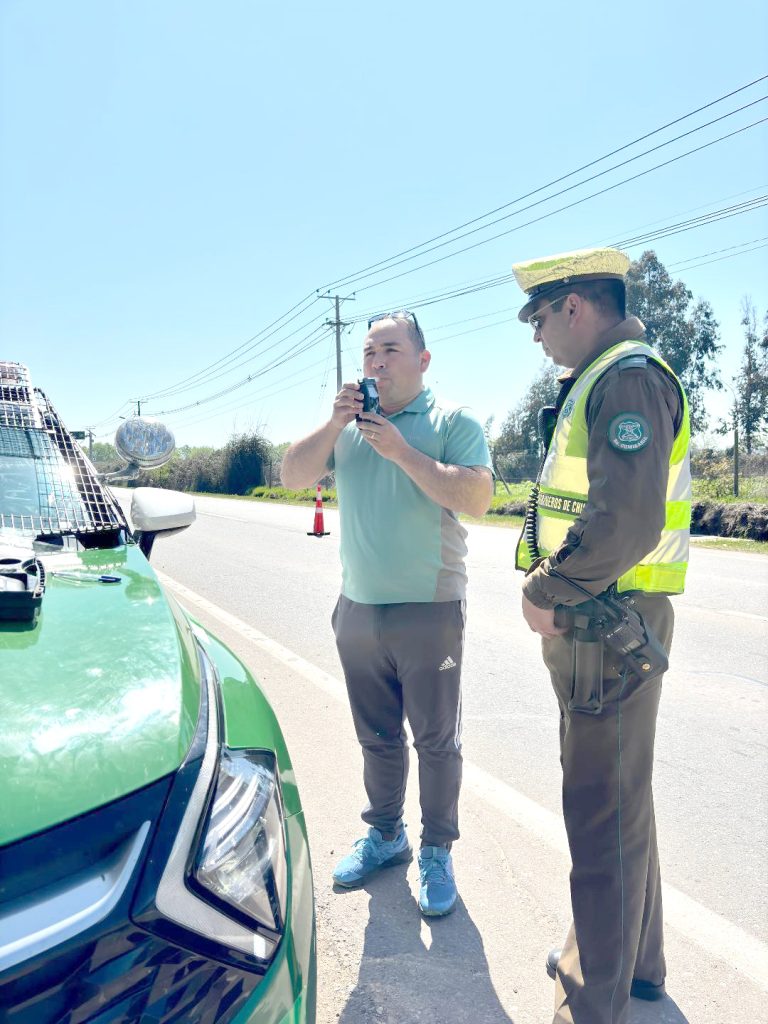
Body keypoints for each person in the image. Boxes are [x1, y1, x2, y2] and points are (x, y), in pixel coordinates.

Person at [510, 248, 691, 1024]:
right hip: (610, 620)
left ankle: (591, 1001)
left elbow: (626, 519)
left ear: (576, 306)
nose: (539, 336)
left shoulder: (625, 377)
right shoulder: (608, 376)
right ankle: (634, 966)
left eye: (541, 318)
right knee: (621, 800)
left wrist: (546, 591)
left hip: (602, 623)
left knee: (599, 811)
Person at [281, 309, 493, 916]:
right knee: (376, 737)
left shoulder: (452, 421)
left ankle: (436, 850)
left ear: (423, 361)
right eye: (369, 353)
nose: (376, 362)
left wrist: (402, 452)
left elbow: (477, 497)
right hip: (358, 607)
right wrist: (333, 422)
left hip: (430, 609)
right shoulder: (345, 429)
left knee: (435, 740)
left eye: (390, 351)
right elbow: (293, 476)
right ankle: (385, 835)